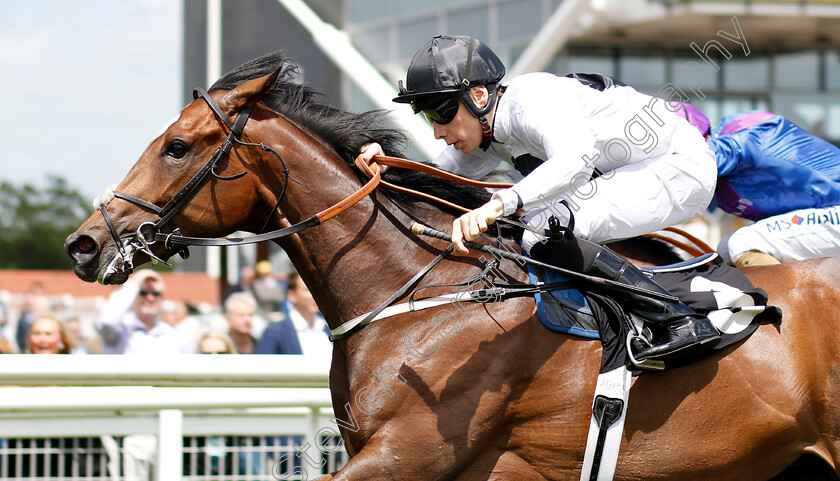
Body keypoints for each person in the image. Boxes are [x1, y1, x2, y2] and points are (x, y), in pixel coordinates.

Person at [359, 35, 721, 364]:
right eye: (428, 116)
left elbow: (577, 159)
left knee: (541, 229)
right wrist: (380, 163)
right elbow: (432, 180)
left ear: (479, 96)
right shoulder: (486, 130)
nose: (438, 131)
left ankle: (680, 320)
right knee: (532, 223)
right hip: (638, 172)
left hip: (677, 167)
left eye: (442, 112)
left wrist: (498, 204)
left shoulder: (531, 100)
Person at [674, 104, 840, 266]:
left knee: (741, 244)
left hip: (835, 209)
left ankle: (774, 295)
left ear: (705, 138)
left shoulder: (743, 137)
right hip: (827, 214)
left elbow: (709, 155)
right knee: (725, 250)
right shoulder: (724, 184)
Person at [97, 269, 181, 354]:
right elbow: (107, 321)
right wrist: (134, 283)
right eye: (143, 293)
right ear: (133, 294)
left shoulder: (170, 334)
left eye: (156, 293)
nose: (150, 298)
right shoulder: (121, 328)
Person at [256, 271, 329, 355]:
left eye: (318, 289)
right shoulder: (275, 332)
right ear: (292, 295)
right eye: (307, 289)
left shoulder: (328, 329)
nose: (316, 295)